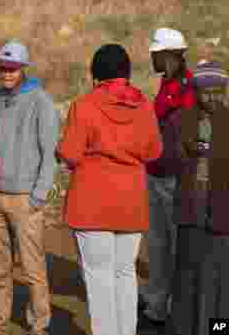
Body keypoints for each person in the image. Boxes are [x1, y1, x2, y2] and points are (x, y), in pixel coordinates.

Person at [57, 44, 162, 335]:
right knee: (125, 273)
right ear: (126, 72)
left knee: (99, 278)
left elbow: (71, 153)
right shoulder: (144, 105)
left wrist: (60, 151)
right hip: (131, 202)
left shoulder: (85, 105)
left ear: (96, 74)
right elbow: (154, 151)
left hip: (91, 203)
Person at [0, 41, 60, 335]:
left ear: (23, 69)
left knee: (32, 268)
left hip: (25, 198)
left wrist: (38, 195)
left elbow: (50, 151)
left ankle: (38, 326)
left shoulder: (41, 101)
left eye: (12, 68)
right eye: (2, 67)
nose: (6, 73)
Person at [140, 28, 194, 331]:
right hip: (156, 173)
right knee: (158, 243)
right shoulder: (167, 83)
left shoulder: (188, 88)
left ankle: (174, 306)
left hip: (176, 178)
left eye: (156, 54)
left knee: (175, 246)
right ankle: (157, 301)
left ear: (170, 55)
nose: (152, 58)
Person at [170, 61, 229, 335]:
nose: (214, 97)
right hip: (190, 216)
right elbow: (163, 162)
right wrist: (187, 153)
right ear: (196, 91)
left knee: (220, 288)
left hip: (222, 219)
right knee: (189, 282)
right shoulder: (180, 120)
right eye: (207, 92)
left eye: (219, 91)